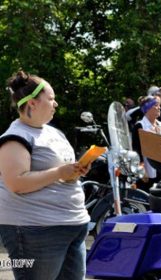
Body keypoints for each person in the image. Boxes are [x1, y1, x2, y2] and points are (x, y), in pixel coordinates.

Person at [0, 71, 91, 280]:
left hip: (72, 225)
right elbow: (17, 183)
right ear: (32, 103)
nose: (55, 104)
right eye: (51, 99)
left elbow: (57, 174)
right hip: (36, 230)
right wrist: (59, 172)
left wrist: (73, 173)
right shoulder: (15, 137)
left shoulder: (53, 132)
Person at [132, 95, 161, 192]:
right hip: (149, 171)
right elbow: (137, 149)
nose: (159, 107)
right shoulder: (140, 126)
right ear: (148, 108)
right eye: (156, 105)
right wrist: (141, 169)